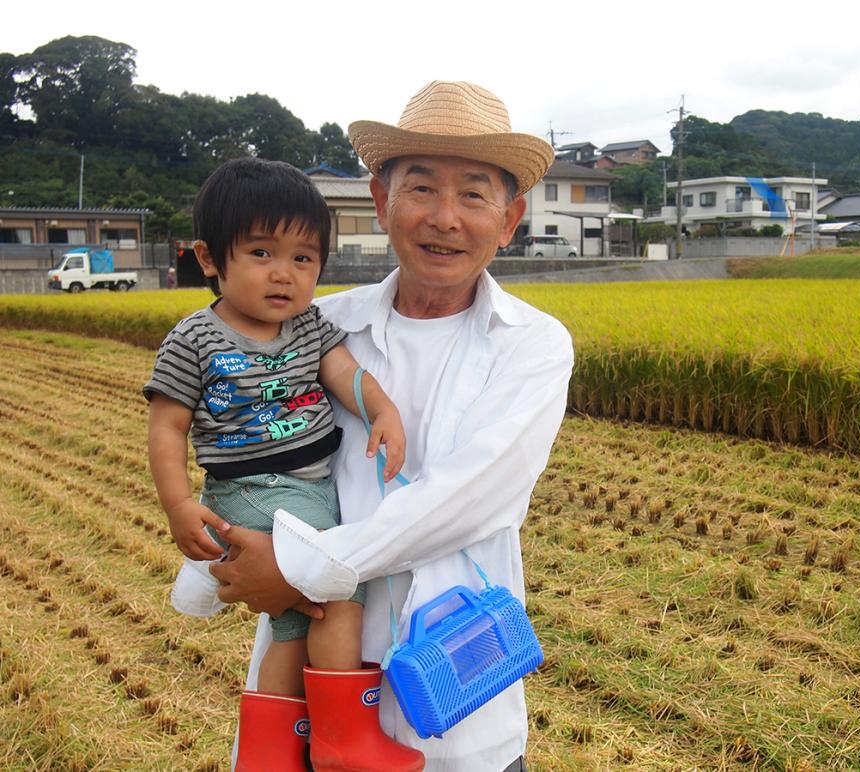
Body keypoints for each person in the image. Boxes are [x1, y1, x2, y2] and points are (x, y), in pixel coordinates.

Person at [198, 81, 573, 771]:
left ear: (511, 216)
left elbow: (466, 500)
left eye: (474, 195)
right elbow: (245, 452)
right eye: (423, 188)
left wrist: (297, 569)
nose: (446, 218)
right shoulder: (317, 328)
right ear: (381, 200)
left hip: (456, 714)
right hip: (306, 689)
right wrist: (220, 558)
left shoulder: (531, 343)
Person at [145, 157, 424, 771]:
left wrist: (382, 410)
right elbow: (167, 426)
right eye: (262, 253)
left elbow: (343, 373)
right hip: (249, 488)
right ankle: (343, 737)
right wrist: (178, 504)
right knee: (339, 587)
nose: (285, 274)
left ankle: (272, 753)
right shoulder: (194, 339)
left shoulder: (307, 326)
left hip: (311, 487)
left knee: (296, 625)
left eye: (303, 258)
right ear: (210, 258)